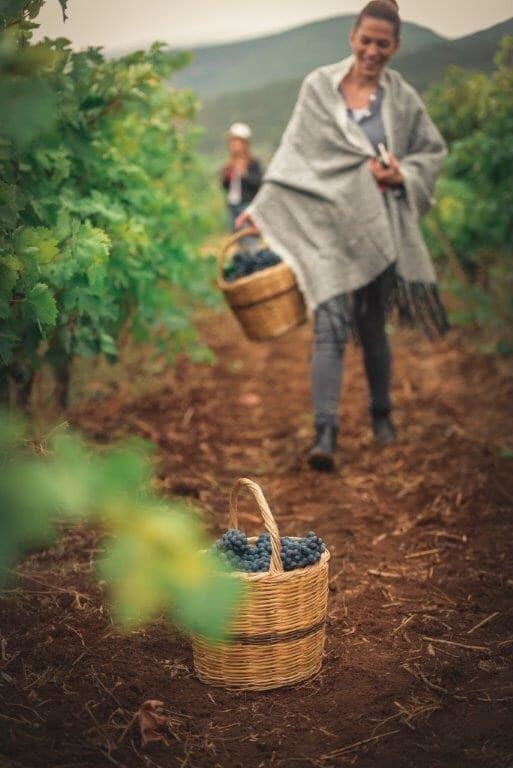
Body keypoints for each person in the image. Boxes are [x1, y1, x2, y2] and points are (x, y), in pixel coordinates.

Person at [236, 0, 449, 471]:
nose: (373, 51)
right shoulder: (319, 88)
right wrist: (260, 211)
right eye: (366, 40)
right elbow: (293, 156)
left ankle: (381, 415)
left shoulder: (403, 98)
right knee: (330, 327)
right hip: (327, 232)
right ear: (352, 37)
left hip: (380, 232)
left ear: (396, 46)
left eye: (383, 44)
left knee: (373, 327)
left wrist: (403, 175)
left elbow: (430, 153)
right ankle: (325, 432)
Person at [220, 122, 263, 232]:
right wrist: (226, 177)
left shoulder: (253, 164)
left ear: (244, 143)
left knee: (247, 236)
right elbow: (225, 187)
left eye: (236, 141)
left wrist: (244, 174)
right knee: (235, 236)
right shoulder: (229, 165)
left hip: (247, 206)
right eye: (232, 141)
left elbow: (258, 184)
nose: (234, 145)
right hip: (232, 206)